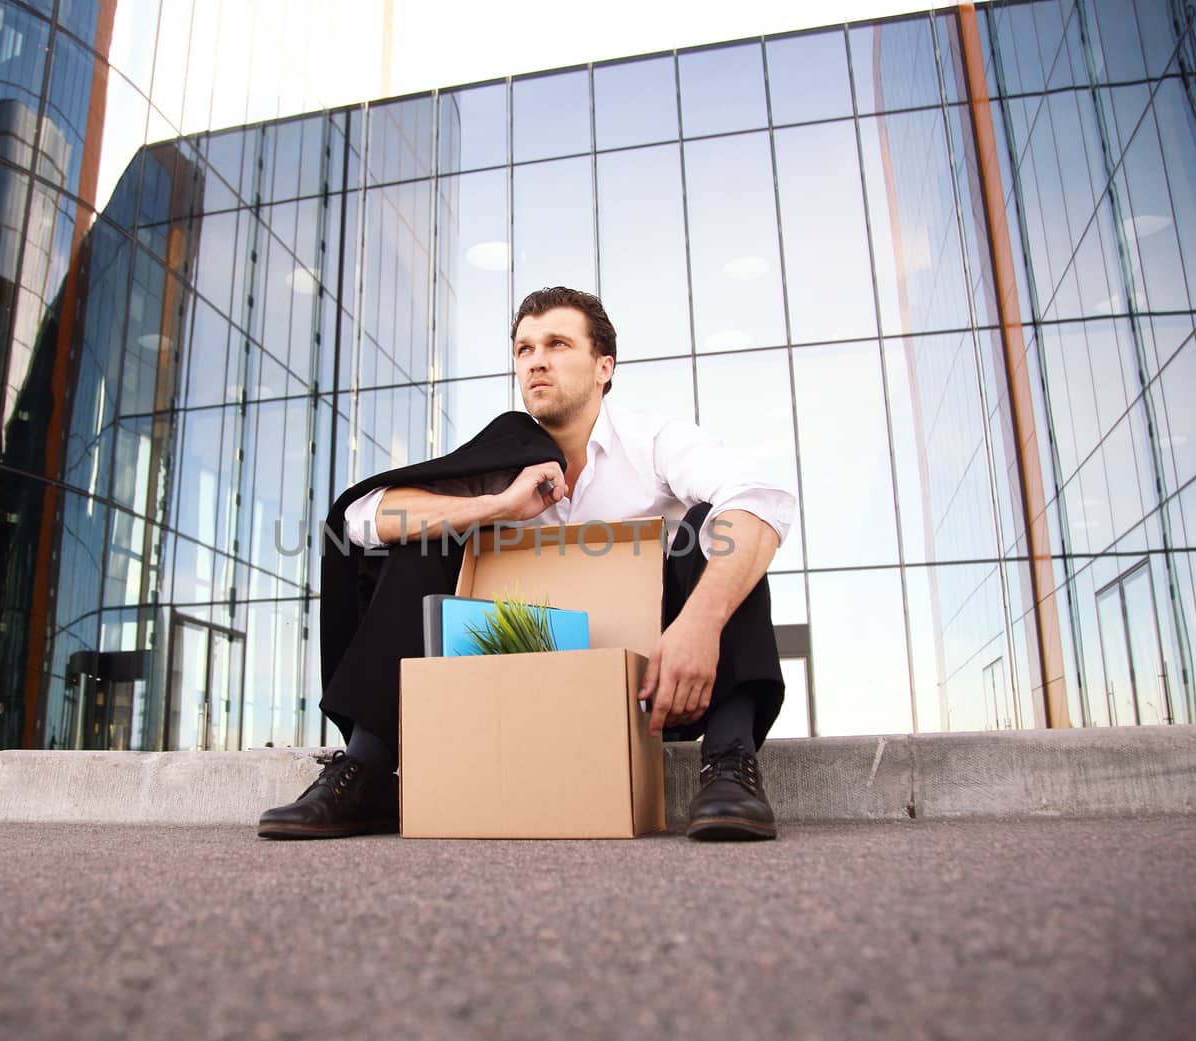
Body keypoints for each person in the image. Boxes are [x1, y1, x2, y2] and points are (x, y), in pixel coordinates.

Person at [259, 286, 796, 841]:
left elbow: (760, 501)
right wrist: (496, 505)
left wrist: (698, 628)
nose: (536, 359)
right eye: (523, 349)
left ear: (603, 367)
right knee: (428, 535)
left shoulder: (655, 441)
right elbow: (361, 520)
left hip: (657, 684)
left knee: (724, 527)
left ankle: (730, 758)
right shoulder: (503, 454)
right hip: (515, 678)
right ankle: (370, 765)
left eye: (558, 343)